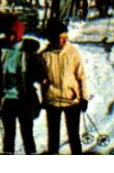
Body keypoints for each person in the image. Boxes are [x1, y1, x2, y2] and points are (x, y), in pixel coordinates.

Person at [0, 18, 42, 154]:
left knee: (27, 134)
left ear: (19, 35)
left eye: (13, 34)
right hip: (7, 100)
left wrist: (27, 78)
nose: (9, 37)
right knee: (8, 137)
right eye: (8, 34)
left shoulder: (29, 52)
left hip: (25, 100)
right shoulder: (1, 51)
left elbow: (40, 74)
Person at [38, 21, 89, 154]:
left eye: (63, 37)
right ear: (51, 38)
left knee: (74, 136)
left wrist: (84, 97)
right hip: (52, 100)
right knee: (53, 136)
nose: (61, 40)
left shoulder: (72, 52)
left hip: (71, 100)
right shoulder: (44, 55)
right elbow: (43, 81)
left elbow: (81, 76)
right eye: (58, 37)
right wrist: (43, 99)